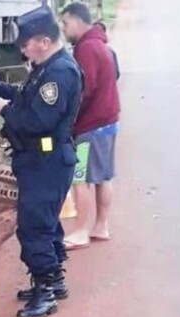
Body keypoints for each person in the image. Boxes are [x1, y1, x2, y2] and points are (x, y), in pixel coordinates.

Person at [0, 5, 83, 317]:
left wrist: (2, 110)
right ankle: (53, 281)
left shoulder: (59, 73)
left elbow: (36, 120)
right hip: (40, 160)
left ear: (44, 42)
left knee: (34, 226)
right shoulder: (46, 67)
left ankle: (45, 290)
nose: (23, 50)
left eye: (26, 44)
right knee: (46, 223)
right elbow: (25, 97)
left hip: (46, 160)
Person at [60, 2, 121, 249]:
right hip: (107, 123)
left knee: (80, 177)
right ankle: (100, 226)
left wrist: (68, 120)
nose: (63, 29)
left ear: (77, 21)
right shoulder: (102, 44)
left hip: (90, 126)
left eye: (65, 23)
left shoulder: (86, 49)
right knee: (103, 176)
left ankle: (81, 231)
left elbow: (83, 91)